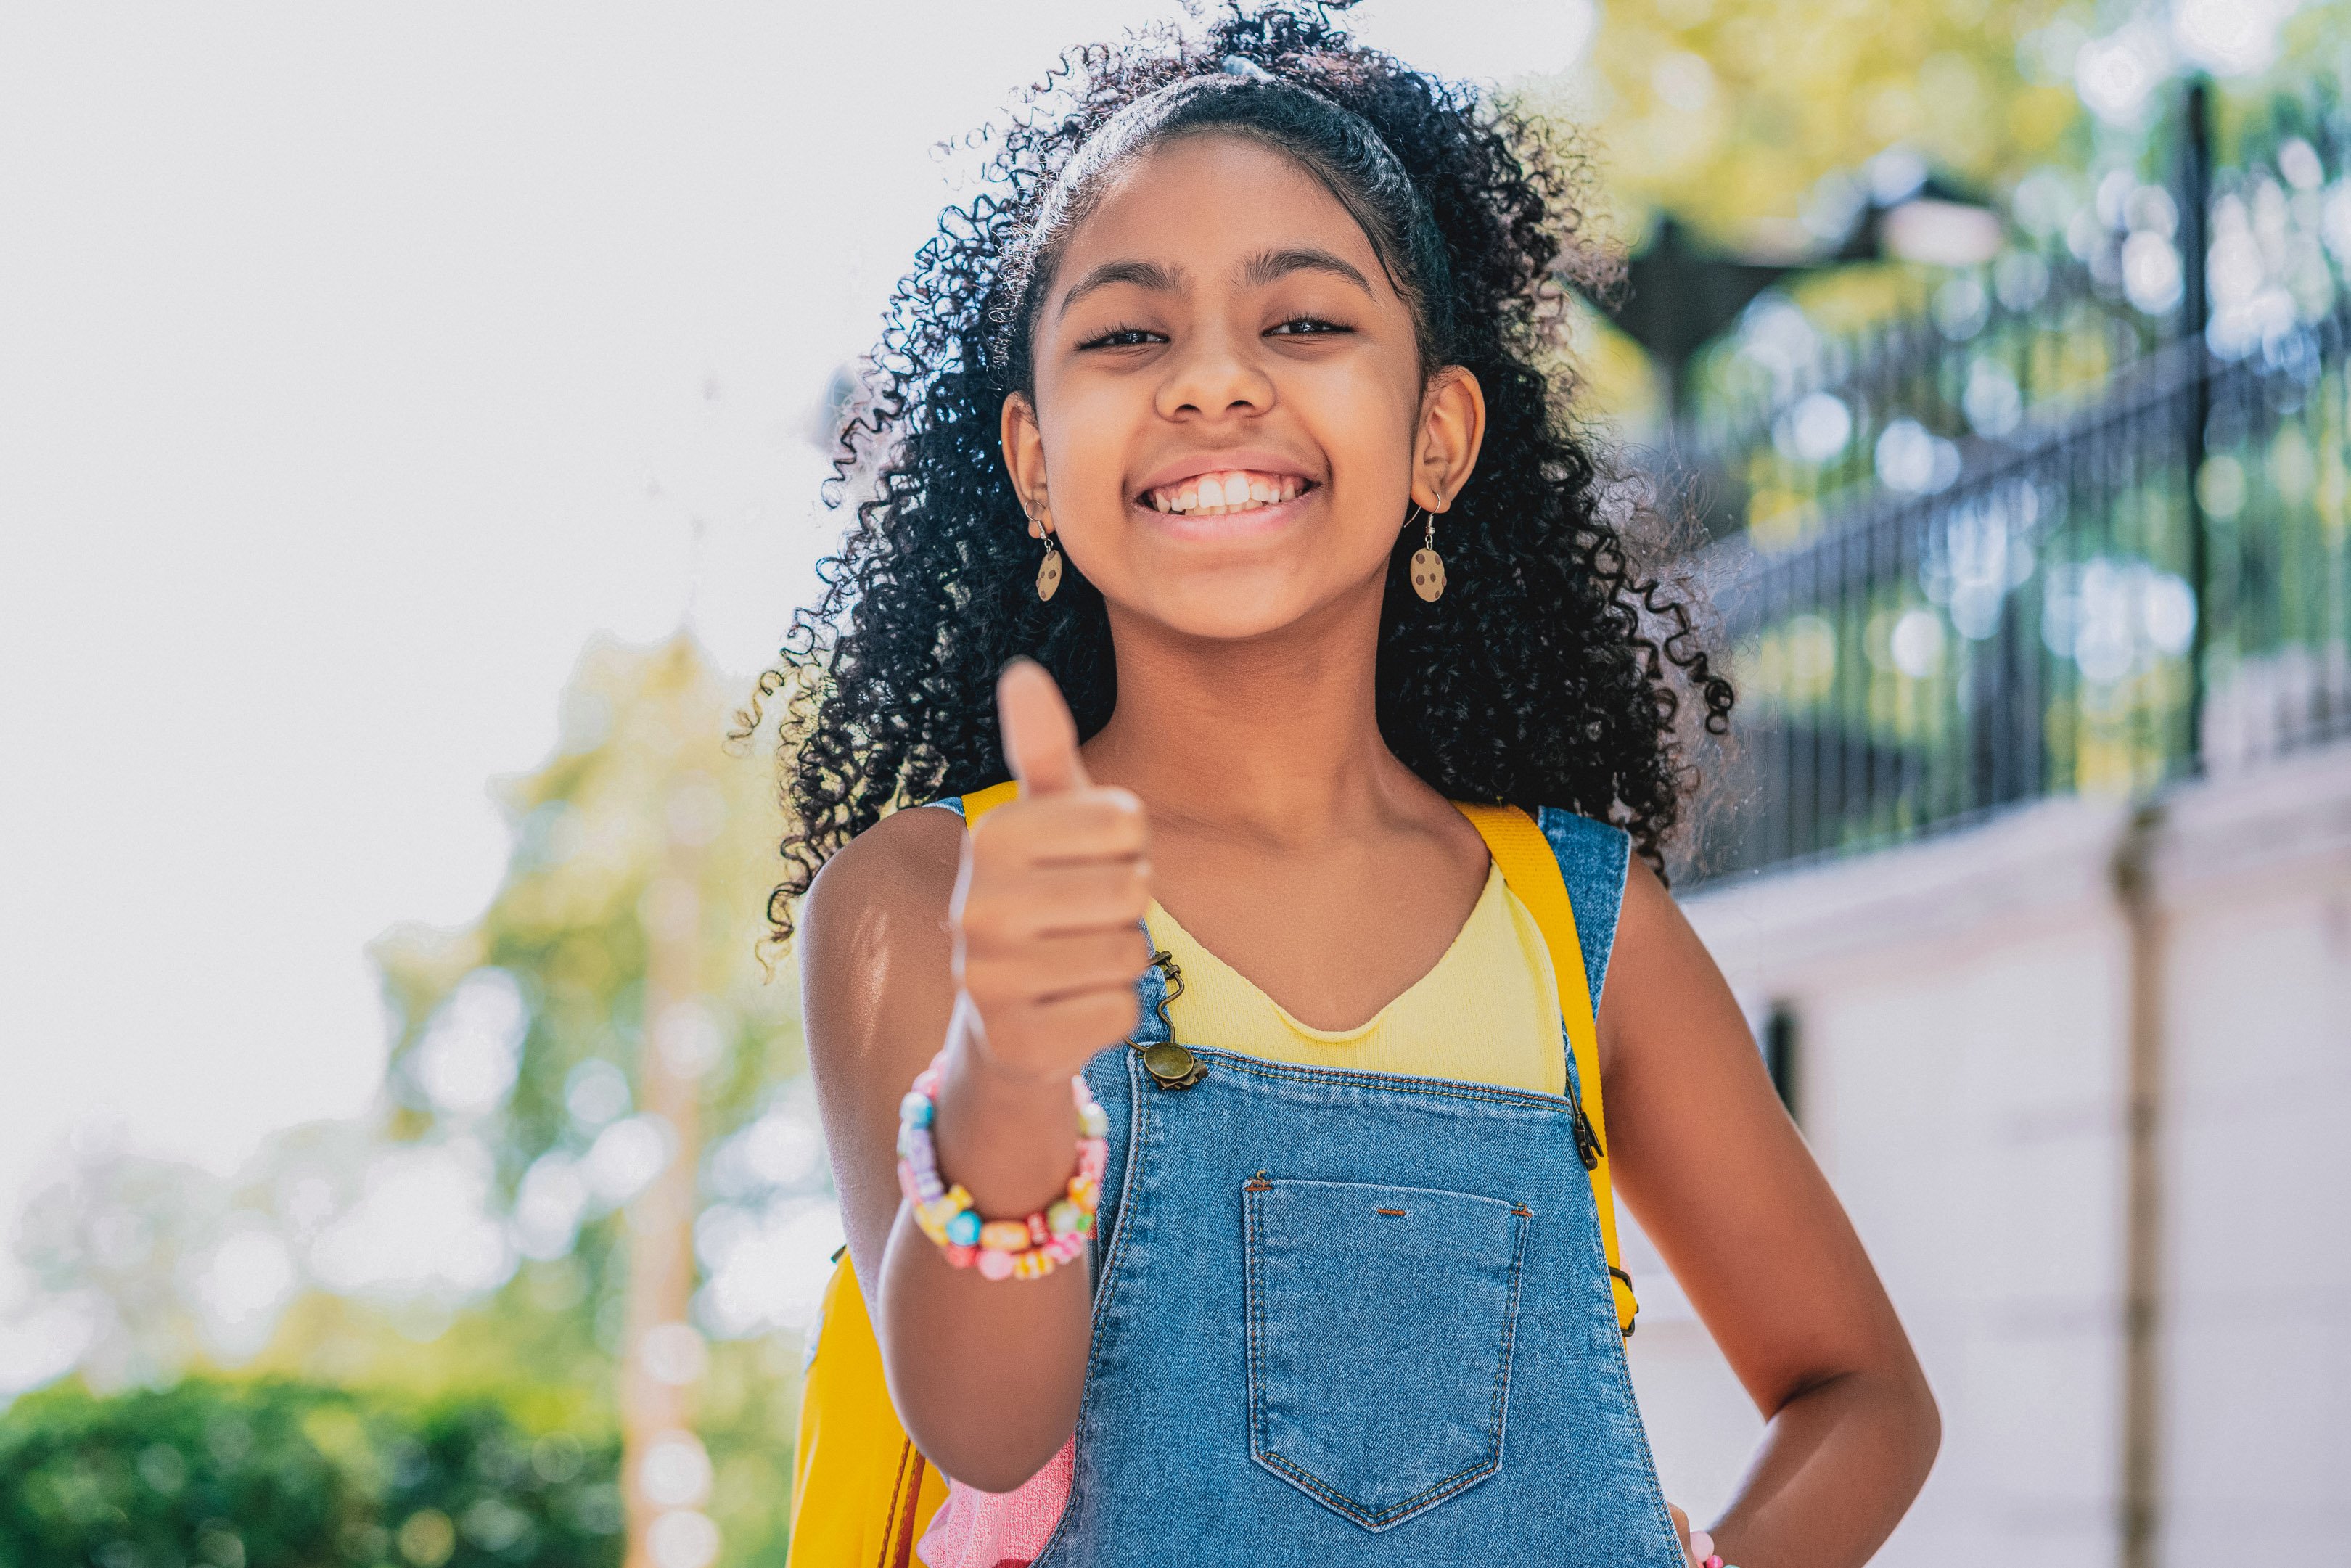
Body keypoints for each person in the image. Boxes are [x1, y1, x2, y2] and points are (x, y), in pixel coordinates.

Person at [763, 8, 1938, 1564]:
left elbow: (1863, 1394)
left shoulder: (1581, 928)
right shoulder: (922, 901)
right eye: (1128, 333)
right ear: (1034, 462)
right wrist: (1006, 1071)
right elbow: (986, 1428)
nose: (1212, 382)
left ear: (1438, 435)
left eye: (1305, 323)